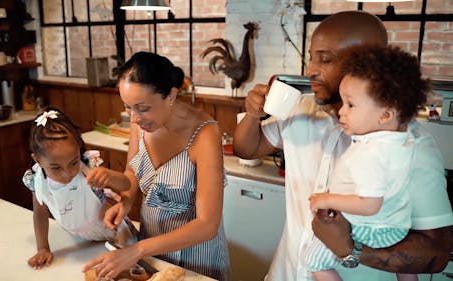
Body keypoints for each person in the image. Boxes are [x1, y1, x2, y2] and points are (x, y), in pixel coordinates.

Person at [232, 10, 453, 281]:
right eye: (311, 57)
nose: (311, 69)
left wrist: (350, 250)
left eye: (325, 59)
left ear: (368, 64)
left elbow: (437, 253)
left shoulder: (410, 145)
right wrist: (253, 115)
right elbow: (247, 150)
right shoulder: (301, 109)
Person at [82, 51, 230, 280]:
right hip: (152, 254)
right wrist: (126, 202)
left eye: (142, 108)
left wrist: (138, 250)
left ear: (171, 95)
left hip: (196, 259)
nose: (133, 118)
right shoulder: (140, 123)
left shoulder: (205, 135)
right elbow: (133, 172)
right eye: (127, 107)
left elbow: (207, 224)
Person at [304, 45, 429, 281]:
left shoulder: (369, 152)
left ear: (385, 115)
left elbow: (370, 204)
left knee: (313, 259)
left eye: (351, 105)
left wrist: (326, 199)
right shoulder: (403, 139)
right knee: (403, 267)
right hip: (398, 227)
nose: (341, 111)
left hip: (372, 228)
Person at [22, 106, 129, 270]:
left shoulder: (88, 169)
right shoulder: (38, 181)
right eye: (56, 168)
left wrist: (110, 176)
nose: (67, 173)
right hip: (84, 242)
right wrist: (43, 248)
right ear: (38, 160)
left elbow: (127, 184)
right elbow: (40, 215)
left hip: (115, 233)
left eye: (73, 162)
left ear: (79, 148)